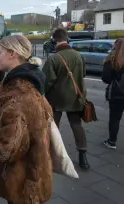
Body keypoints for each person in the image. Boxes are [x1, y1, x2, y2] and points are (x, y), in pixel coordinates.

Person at [0, 35, 52, 204]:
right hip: (30, 174)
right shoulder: (28, 83)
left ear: (12, 54)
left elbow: (6, 149)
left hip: (21, 181)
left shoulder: (19, 93)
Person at [42, 27, 90, 169]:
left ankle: (50, 155)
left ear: (55, 41)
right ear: (66, 39)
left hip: (57, 99)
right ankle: (83, 157)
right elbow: (83, 74)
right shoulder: (78, 55)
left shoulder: (53, 58)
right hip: (76, 97)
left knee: (53, 127)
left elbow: (47, 81)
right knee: (76, 125)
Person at [102, 38, 124, 150]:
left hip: (117, 94)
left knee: (115, 118)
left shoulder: (112, 59)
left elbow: (105, 78)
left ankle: (112, 141)